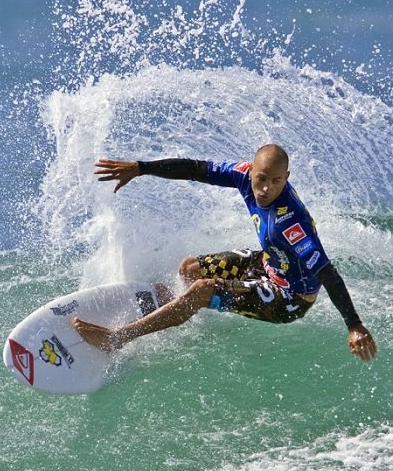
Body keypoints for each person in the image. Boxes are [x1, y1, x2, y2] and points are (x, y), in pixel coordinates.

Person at [71, 144, 377, 362]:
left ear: (286, 177)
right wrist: (141, 168)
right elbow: (195, 169)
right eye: (261, 178)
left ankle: (119, 337)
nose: (266, 189)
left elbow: (327, 273)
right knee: (189, 269)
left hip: (289, 297)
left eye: (276, 181)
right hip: (269, 262)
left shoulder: (291, 223)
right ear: (251, 170)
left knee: (202, 289)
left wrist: (354, 325)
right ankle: (178, 308)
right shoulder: (241, 174)